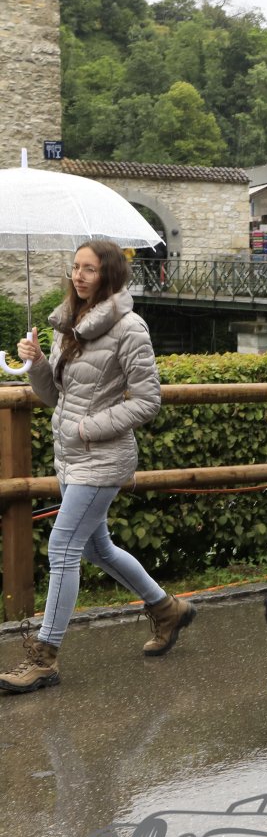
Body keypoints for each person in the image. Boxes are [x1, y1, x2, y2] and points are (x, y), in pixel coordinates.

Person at [0, 240, 191, 694]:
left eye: (89, 268)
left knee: (63, 548)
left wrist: (88, 427)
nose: (79, 275)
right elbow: (56, 397)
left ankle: (44, 658)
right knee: (97, 548)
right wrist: (37, 364)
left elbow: (148, 401)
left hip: (102, 457)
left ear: (110, 274)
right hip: (70, 456)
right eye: (75, 267)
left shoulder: (129, 327)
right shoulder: (70, 323)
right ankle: (167, 610)